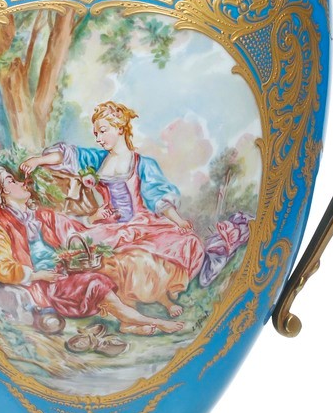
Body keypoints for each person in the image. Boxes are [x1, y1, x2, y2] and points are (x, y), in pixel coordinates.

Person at [0, 164, 183, 345]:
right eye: (12, 181)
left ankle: (127, 323)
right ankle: (156, 322)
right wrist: (38, 275)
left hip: (66, 270)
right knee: (95, 283)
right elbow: (2, 267)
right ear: (4, 191)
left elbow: (72, 231)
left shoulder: (41, 215)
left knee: (118, 263)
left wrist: (94, 218)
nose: (21, 183)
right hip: (47, 284)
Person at [31, 100, 205, 310]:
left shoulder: (142, 163)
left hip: (139, 224)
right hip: (108, 227)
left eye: (103, 131)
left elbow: (158, 196)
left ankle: (159, 293)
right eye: (96, 133)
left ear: (120, 128)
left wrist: (179, 221)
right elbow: (68, 156)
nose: (99, 138)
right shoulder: (98, 159)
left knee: (185, 243)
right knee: (76, 243)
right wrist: (37, 161)